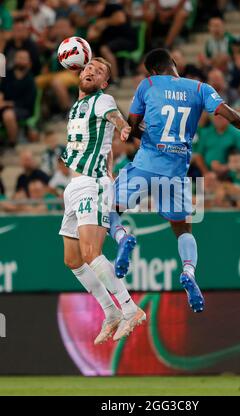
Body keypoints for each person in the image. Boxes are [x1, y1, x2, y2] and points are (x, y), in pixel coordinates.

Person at [114, 48, 240, 314]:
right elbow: (232, 116)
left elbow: (132, 128)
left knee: (107, 209)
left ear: (151, 71)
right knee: (183, 230)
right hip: (176, 173)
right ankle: (188, 271)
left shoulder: (147, 84)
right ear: (173, 64)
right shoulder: (199, 88)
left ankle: (123, 236)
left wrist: (146, 133)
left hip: (146, 165)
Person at [59, 57, 145, 345]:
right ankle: (110, 312)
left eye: (98, 72)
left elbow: (114, 118)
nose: (91, 71)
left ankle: (130, 309)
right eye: (88, 68)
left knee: (91, 253)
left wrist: (123, 126)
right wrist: (109, 161)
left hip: (92, 185)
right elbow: (104, 143)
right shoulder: (77, 106)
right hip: (74, 186)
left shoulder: (102, 100)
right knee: (72, 260)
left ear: (104, 83)